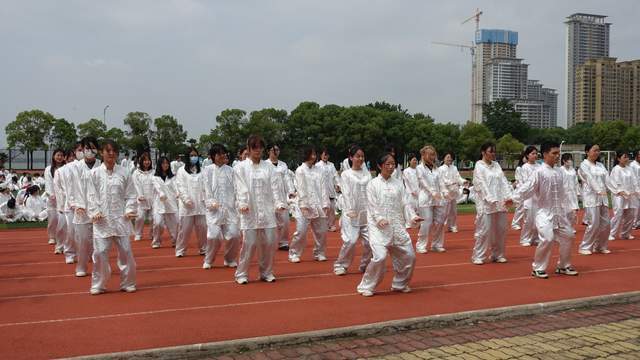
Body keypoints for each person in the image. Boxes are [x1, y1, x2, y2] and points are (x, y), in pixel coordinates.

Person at [356, 153, 422, 297]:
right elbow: (371, 205)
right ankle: (367, 285)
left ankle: (400, 283)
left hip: (396, 226)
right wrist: (379, 218)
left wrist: (413, 216)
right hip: (378, 228)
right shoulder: (373, 184)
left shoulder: (398, 183)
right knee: (379, 257)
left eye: (393, 164)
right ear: (380, 166)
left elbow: (405, 203)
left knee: (409, 256)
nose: (391, 167)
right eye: (388, 164)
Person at [513, 142, 579, 279]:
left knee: (569, 235)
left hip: (559, 213)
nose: (557, 156)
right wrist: (513, 198)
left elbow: (564, 193)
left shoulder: (560, 172)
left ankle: (563, 266)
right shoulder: (539, 172)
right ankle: (538, 268)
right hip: (544, 212)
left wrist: (570, 208)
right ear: (545, 154)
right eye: (554, 153)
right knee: (547, 238)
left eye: (558, 153)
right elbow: (528, 188)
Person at [86, 139, 138, 295]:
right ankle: (99, 284)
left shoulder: (124, 172)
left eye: (114, 151)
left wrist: (129, 210)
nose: (111, 153)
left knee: (126, 252)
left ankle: (128, 282)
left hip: (121, 219)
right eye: (107, 150)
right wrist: (95, 211)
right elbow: (90, 195)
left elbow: (130, 194)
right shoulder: (94, 174)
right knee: (100, 253)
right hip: (102, 220)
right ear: (102, 152)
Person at [234, 135, 287, 284]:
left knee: (270, 242)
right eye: (254, 148)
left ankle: (266, 272)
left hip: (267, 210)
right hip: (249, 211)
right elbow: (241, 187)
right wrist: (243, 203)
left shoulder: (269, 167)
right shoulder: (240, 168)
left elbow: (275, 186)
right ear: (249, 149)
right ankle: (242, 273)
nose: (257, 151)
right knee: (249, 243)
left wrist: (278, 203)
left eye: (260, 147)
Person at [471, 142, 513, 265]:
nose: (493, 154)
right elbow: (480, 183)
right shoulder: (479, 166)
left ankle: (498, 254)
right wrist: (490, 198)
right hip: (486, 203)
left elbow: (503, 181)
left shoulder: (496, 165)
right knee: (485, 230)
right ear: (483, 152)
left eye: (494, 151)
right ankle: (479, 255)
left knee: (501, 229)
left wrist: (508, 196)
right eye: (491, 151)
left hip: (500, 202)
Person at [334, 145, 372, 275]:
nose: (360, 158)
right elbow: (347, 193)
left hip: (366, 212)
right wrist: (350, 209)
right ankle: (341, 264)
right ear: (351, 157)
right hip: (351, 213)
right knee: (350, 240)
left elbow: (371, 192)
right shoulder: (346, 174)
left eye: (362, 156)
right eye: (357, 156)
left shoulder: (367, 174)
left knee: (370, 242)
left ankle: (365, 264)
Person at [202, 144, 241, 269]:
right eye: (219, 154)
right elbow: (205, 189)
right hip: (214, 210)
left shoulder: (231, 171)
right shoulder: (207, 171)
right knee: (213, 236)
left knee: (234, 235)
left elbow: (237, 189)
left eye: (224, 153)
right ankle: (209, 259)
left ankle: (229, 259)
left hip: (230, 210)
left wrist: (238, 203)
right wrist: (211, 202)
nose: (223, 156)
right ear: (213, 156)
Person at [289, 147, 330, 263]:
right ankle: (294, 253)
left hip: (318, 204)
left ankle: (319, 252)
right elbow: (301, 189)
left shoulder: (319, 170)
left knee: (321, 231)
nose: (314, 156)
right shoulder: (300, 170)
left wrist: (325, 203)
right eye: (311, 154)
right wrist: (304, 205)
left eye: (314, 154)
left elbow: (323, 188)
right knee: (301, 231)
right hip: (303, 205)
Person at [68, 137, 101, 277]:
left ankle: (99, 266)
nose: (90, 151)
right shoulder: (74, 167)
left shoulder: (102, 165)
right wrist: (75, 205)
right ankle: (81, 266)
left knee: (100, 241)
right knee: (83, 241)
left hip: (99, 210)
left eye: (93, 148)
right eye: (87, 148)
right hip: (81, 209)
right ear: (82, 149)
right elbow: (71, 189)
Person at [578, 144, 611, 255]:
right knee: (593, 223)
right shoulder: (584, 165)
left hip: (603, 197)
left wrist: (615, 190)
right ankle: (585, 246)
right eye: (595, 150)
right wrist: (598, 190)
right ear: (587, 152)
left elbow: (607, 179)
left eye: (598, 150)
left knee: (606, 223)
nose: (597, 152)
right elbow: (589, 178)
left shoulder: (601, 165)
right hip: (591, 197)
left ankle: (600, 246)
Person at [175, 147, 207, 257]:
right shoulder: (181, 171)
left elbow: (206, 186)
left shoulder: (203, 170)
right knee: (184, 230)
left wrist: (206, 199)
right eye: (191, 155)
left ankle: (203, 248)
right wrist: (186, 199)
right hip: (187, 205)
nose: (194, 157)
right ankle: (180, 250)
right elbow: (181, 186)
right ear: (187, 157)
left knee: (202, 228)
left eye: (195, 155)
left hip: (200, 205)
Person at [415, 145, 447, 253]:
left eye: (433, 154)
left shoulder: (436, 169)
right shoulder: (419, 168)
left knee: (440, 222)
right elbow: (423, 182)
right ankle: (421, 245)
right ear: (423, 155)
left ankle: (436, 244)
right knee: (426, 222)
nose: (432, 157)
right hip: (425, 198)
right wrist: (433, 192)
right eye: (429, 154)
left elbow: (441, 182)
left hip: (438, 198)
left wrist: (444, 192)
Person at [267, 144, 294, 250]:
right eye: (273, 150)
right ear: (268, 151)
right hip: (269, 197)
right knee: (270, 221)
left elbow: (287, 179)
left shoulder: (283, 165)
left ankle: (283, 242)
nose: (275, 151)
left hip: (282, 196)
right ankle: (270, 242)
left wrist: (291, 191)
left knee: (285, 221)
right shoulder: (265, 165)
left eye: (277, 149)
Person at [607, 151, 638, 241]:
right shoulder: (616, 169)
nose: (626, 159)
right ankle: (611, 233)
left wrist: (637, 191)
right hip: (619, 195)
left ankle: (625, 233)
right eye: (624, 157)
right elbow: (614, 182)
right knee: (618, 214)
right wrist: (620, 191)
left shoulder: (629, 169)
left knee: (630, 214)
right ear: (619, 159)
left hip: (630, 195)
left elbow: (635, 181)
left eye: (627, 157)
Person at [53, 148, 77, 262]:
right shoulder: (60, 171)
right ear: (65, 158)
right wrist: (61, 206)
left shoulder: (79, 169)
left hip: (80, 205)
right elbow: (58, 189)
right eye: (70, 156)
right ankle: (68, 252)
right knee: (67, 229)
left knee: (82, 231)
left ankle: (82, 252)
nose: (72, 158)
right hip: (66, 206)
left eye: (73, 156)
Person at [151, 157, 179, 249]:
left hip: (171, 204)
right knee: (158, 223)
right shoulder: (155, 177)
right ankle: (156, 241)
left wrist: (178, 193)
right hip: (159, 204)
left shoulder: (172, 177)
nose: (165, 165)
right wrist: (161, 194)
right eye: (163, 163)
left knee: (175, 225)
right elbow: (157, 187)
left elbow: (175, 187)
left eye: (167, 163)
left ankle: (175, 241)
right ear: (159, 165)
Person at [516, 146, 540, 247]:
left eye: (536, 153)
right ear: (527, 155)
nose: (535, 155)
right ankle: (525, 238)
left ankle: (535, 238)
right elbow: (526, 182)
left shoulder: (539, 166)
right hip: (529, 197)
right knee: (529, 219)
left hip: (538, 197)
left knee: (538, 219)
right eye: (532, 153)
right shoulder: (525, 167)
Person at [438, 152, 466, 233]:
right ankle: (440, 226)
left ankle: (452, 226)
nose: (449, 159)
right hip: (446, 193)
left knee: (453, 211)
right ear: (444, 158)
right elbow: (442, 180)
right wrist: (451, 182)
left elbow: (458, 177)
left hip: (453, 192)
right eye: (447, 157)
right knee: (445, 211)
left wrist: (463, 181)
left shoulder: (454, 168)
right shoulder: (440, 169)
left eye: (450, 157)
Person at [316, 148, 340, 232]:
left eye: (327, 155)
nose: (325, 156)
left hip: (331, 189)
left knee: (332, 208)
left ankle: (331, 225)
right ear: (321, 155)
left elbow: (335, 175)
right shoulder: (317, 165)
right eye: (324, 154)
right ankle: (323, 225)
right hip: (321, 190)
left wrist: (338, 184)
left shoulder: (331, 165)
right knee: (324, 209)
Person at [44, 149, 66, 245]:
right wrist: (51, 194)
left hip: (64, 198)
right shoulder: (48, 169)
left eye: (61, 155)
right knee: (52, 220)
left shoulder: (66, 168)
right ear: (53, 156)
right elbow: (48, 183)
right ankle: (52, 237)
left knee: (63, 220)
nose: (59, 157)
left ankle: (62, 238)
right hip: (52, 198)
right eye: (58, 155)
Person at [132, 152, 155, 241]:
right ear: (141, 161)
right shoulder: (136, 173)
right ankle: (138, 233)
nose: (147, 162)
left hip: (152, 199)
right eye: (145, 160)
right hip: (141, 200)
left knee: (153, 218)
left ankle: (152, 233)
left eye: (148, 160)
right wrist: (140, 195)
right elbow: (136, 185)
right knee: (140, 217)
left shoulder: (153, 172)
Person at [560, 153, 581, 230]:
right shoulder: (561, 170)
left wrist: (578, 193)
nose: (570, 161)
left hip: (572, 193)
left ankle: (571, 227)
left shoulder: (572, 170)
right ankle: (565, 226)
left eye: (571, 159)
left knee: (573, 212)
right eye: (568, 159)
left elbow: (576, 182)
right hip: (564, 194)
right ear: (564, 161)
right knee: (565, 211)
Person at [403, 153, 419, 228]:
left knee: (419, 207)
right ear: (409, 161)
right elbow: (407, 182)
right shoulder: (406, 171)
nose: (415, 161)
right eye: (413, 160)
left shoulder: (419, 170)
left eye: (416, 160)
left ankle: (418, 222)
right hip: (410, 192)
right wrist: (411, 191)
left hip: (419, 192)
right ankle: (409, 223)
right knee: (409, 207)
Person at [510, 156, 527, 231]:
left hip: (529, 190)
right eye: (525, 157)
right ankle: (515, 223)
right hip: (522, 190)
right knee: (520, 207)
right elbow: (519, 181)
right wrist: (524, 189)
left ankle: (526, 223)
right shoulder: (519, 168)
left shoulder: (530, 167)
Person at [629, 150, 640, 229]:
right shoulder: (632, 165)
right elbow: (632, 177)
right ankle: (633, 223)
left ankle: (638, 222)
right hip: (635, 188)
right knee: (636, 206)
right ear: (636, 156)